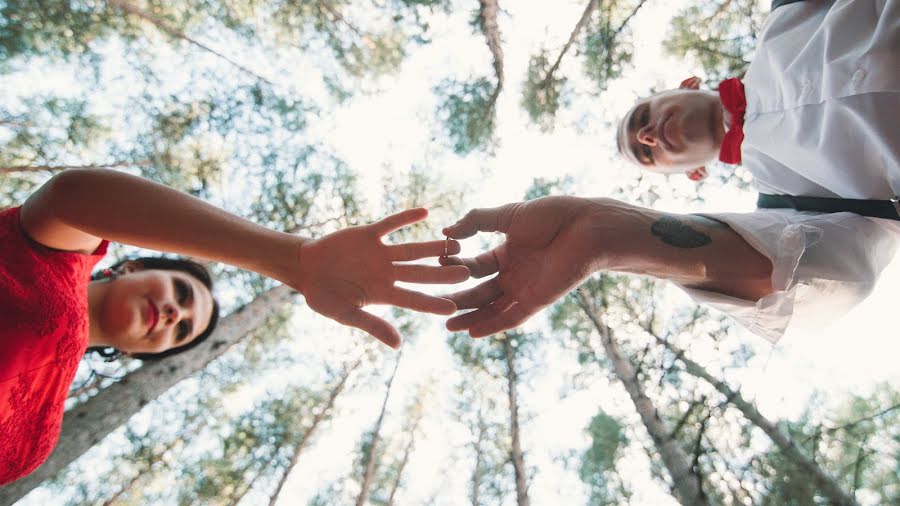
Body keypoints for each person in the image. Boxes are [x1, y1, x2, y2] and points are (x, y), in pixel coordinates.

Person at [441, 0, 899, 342]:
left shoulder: (786, 17)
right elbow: (829, 281)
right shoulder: (788, 207)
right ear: (691, 174)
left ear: (686, 85)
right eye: (647, 154)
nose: (646, 136)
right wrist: (602, 233)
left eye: (643, 118)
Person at [1, 168, 468, 485]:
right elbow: (73, 196)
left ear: (140, 354)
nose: (173, 314)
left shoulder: (38, 439)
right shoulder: (57, 254)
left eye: (180, 330)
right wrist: (295, 261)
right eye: (180, 295)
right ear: (135, 266)